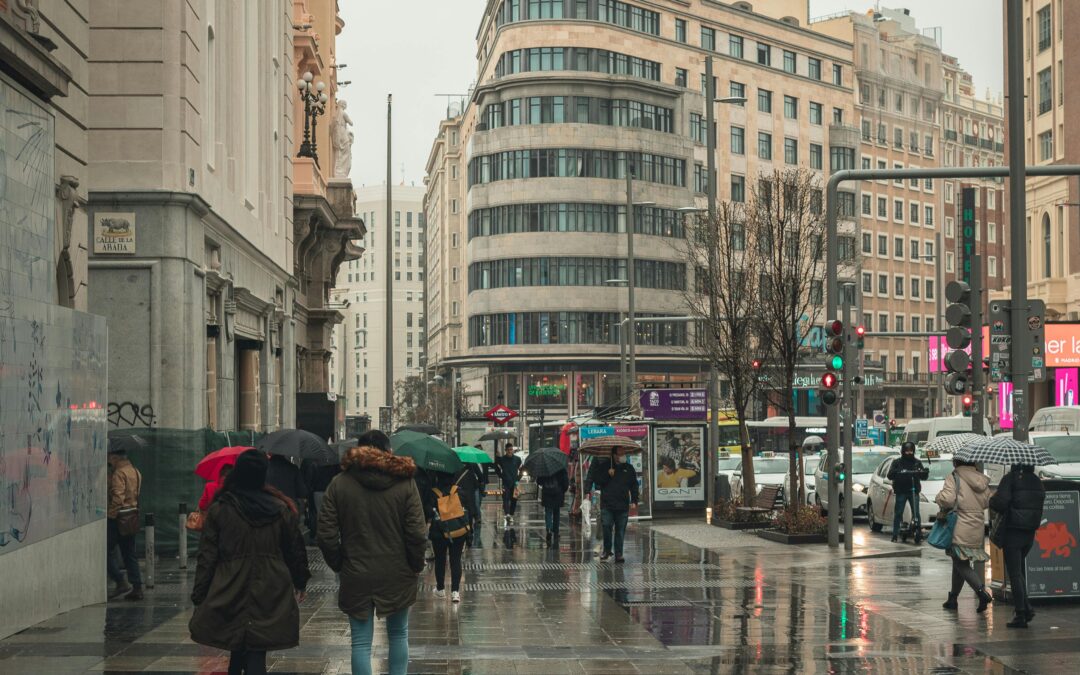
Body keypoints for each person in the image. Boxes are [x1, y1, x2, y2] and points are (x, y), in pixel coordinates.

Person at [316, 429, 427, 675]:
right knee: (399, 634)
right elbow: (417, 534)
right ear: (389, 452)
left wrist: (339, 563)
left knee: (361, 642)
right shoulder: (405, 483)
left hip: (356, 572)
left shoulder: (340, 484)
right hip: (398, 572)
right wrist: (416, 564)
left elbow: (325, 534)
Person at [190, 450, 310, 675]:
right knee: (257, 647)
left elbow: (207, 556)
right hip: (270, 583)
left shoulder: (221, 508)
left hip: (230, 582)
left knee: (237, 642)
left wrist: (200, 594)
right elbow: (294, 548)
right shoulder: (281, 508)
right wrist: (300, 580)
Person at [989, 464, 1046, 628]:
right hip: (1029, 532)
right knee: (1019, 571)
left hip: (1013, 530)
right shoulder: (1036, 481)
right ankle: (1026, 609)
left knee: (1014, 573)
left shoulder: (1010, 479)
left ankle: (1021, 613)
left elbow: (1000, 503)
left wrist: (992, 498)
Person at [935, 458, 992, 614]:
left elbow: (947, 499)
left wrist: (938, 497)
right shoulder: (980, 478)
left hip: (959, 524)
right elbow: (987, 502)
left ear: (956, 463)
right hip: (977, 525)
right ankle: (953, 599)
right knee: (959, 560)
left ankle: (981, 592)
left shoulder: (954, 477)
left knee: (961, 563)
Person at [424, 469, 472, 602]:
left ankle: (440, 589)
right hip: (458, 531)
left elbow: (427, 512)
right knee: (455, 560)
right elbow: (468, 510)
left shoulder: (433, 493)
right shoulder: (459, 491)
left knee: (440, 560)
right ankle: (455, 592)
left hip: (439, 532)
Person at [588, 448, 638, 563]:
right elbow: (597, 481)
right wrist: (607, 474)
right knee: (606, 527)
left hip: (622, 505)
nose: (622, 456)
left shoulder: (628, 468)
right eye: (620, 453)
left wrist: (634, 500)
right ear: (614, 455)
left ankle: (619, 554)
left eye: (624, 453)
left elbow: (634, 485)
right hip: (607, 504)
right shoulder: (605, 466)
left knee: (620, 531)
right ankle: (606, 551)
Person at [107, 447, 144, 600]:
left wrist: (110, 515)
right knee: (129, 553)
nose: (108, 461)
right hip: (132, 515)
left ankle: (119, 580)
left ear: (116, 458)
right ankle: (137, 587)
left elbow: (118, 498)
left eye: (109, 458)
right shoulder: (135, 471)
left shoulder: (118, 473)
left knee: (104, 551)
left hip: (119, 518)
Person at [887, 442, 929, 542]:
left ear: (914, 451)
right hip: (901, 491)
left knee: (916, 512)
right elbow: (890, 475)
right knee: (898, 512)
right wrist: (896, 472)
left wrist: (924, 472)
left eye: (911, 451)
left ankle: (917, 530)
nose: (909, 453)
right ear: (903, 451)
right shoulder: (897, 462)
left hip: (913, 491)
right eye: (907, 451)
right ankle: (895, 534)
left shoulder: (917, 462)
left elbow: (923, 476)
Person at [539, 467, 569, 546]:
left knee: (548, 512)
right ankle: (556, 531)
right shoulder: (561, 467)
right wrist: (563, 490)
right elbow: (565, 481)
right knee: (556, 513)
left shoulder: (543, 467)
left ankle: (548, 529)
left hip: (547, 493)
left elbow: (539, 481)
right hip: (558, 493)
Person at [494, 443, 522, 525]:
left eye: (511, 449)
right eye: (508, 450)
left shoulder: (517, 459)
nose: (510, 451)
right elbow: (497, 468)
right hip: (506, 482)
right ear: (505, 450)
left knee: (514, 499)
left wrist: (518, 478)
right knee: (505, 498)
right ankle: (507, 514)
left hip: (515, 483)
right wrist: (501, 476)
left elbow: (522, 469)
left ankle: (511, 514)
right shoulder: (502, 459)